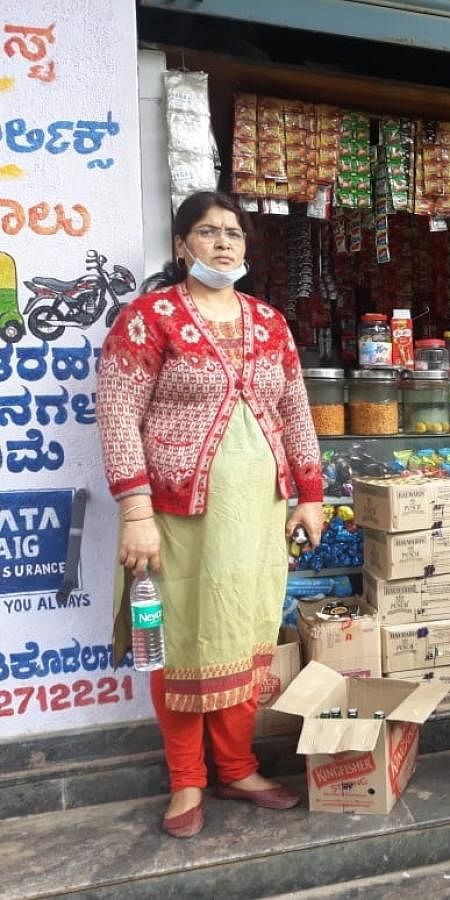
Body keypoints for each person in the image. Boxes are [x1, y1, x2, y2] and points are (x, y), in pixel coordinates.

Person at [97, 190, 325, 838]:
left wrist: (311, 494)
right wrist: (136, 511)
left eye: (234, 233)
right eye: (207, 231)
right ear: (180, 245)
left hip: (256, 517)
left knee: (243, 636)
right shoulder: (148, 319)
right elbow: (117, 416)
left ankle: (238, 766)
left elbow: (295, 413)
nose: (224, 242)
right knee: (180, 642)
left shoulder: (269, 321)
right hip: (175, 517)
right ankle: (186, 781)